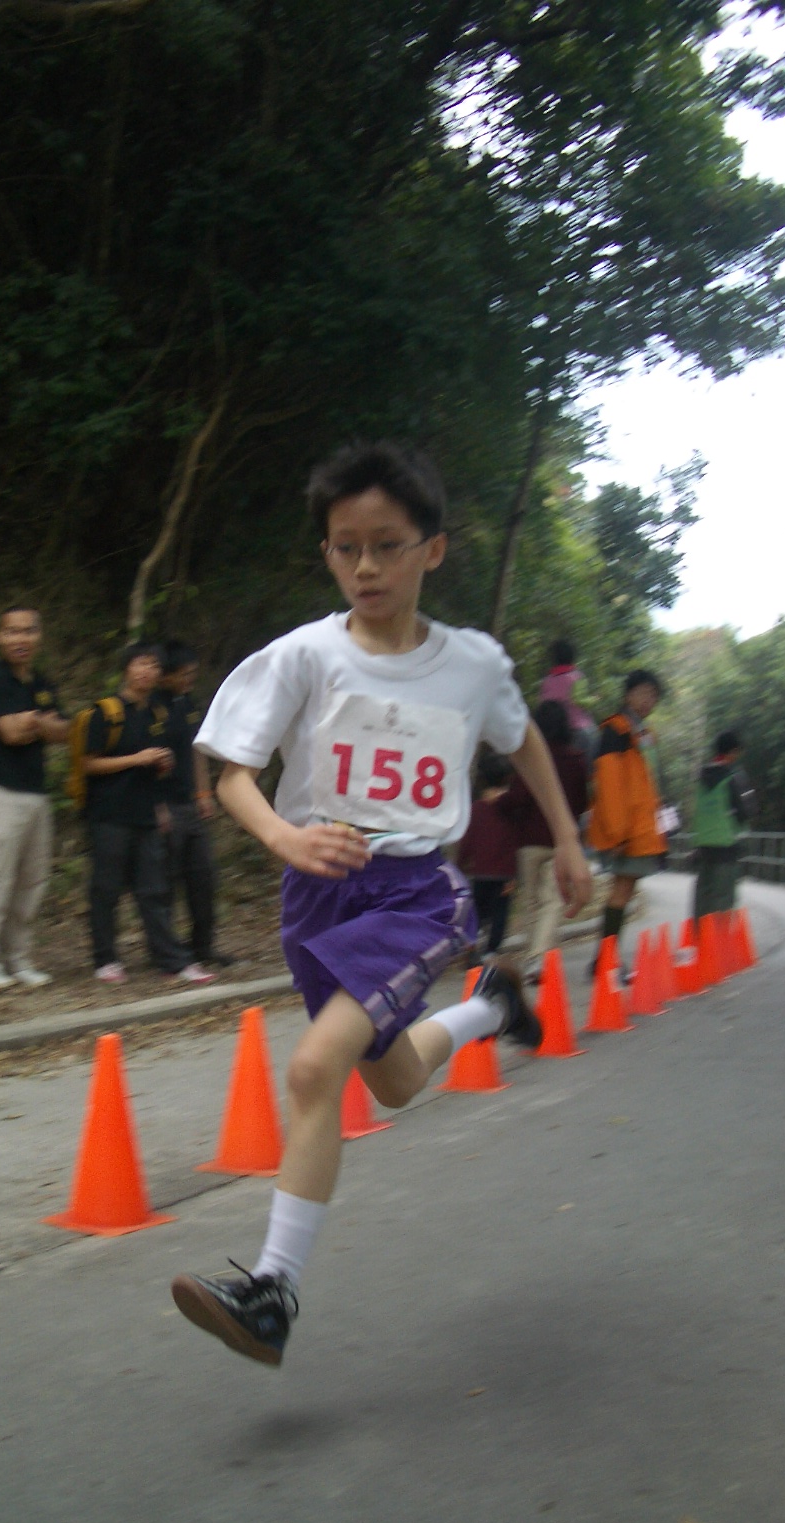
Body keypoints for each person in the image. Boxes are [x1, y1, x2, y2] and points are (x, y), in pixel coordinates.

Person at [170, 441, 592, 1365]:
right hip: (316, 892)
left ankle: (271, 1293)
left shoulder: (471, 664)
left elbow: (523, 740)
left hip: (415, 892)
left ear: (431, 549)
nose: (366, 567)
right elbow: (233, 771)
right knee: (392, 1080)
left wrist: (566, 837)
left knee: (314, 1071)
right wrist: (283, 837)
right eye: (345, 547)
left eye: (388, 545)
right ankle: (492, 1007)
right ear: (327, 552)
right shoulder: (302, 656)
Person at [83, 641, 214, 985]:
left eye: (154, 666)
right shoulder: (106, 712)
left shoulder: (157, 715)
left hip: (147, 815)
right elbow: (89, 763)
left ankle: (172, 959)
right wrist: (136, 759)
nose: (147, 672)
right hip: (109, 814)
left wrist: (160, 795)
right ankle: (105, 958)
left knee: (154, 889)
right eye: (141, 664)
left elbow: (156, 770)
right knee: (107, 888)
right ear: (127, 668)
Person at [0, 605, 69, 991]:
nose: (21, 639)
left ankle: (18, 958)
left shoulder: (41, 684)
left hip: (35, 793)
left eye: (28, 631)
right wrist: (40, 722)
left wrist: (32, 723)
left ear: (39, 636)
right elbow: (9, 732)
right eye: (12, 632)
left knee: (31, 882)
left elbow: (65, 732)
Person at [499, 698, 590, 980]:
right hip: (560, 843)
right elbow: (582, 802)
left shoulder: (531, 760)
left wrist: (496, 802)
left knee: (531, 901)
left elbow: (517, 797)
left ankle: (533, 956)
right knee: (553, 901)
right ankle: (538, 957)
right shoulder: (576, 761)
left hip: (528, 840)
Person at [585, 668, 668, 974]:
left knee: (625, 889)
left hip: (640, 827)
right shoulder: (616, 731)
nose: (648, 700)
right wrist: (617, 833)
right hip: (626, 829)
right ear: (628, 694)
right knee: (621, 890)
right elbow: (609, 786)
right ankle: (606, 961)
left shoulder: (642, 733)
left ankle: (605, 959)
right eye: (643, 693)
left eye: (653, 696)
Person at [159, 640, 230, 969]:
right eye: (183, 674)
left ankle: (203, 945)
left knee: (203, 876)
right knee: (166, 880)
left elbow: (197, 749)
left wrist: (204, 793)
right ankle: (167, 948)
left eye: (192, 674)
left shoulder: (187, 704)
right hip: (166, 803)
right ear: (167, 675)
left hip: (190, 802)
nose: (189, 679)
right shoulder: (153, 707)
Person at [454, 751, 517, 959]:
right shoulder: (510, 808)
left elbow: (468, 840)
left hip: (480, 871)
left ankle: (472, 948)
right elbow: (513, 840)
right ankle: (491, 950)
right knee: (500, 913)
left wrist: (460, 864)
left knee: (477, 913)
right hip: (504, 872)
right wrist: (514, 873)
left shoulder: (476, 809)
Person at [692, 730, 754, 922]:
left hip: (704, 844)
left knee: (704, 895)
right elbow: (746, 811)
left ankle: (699, 936)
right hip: (726, 844)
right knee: (723, 897)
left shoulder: (702, 776)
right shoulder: (734, 776)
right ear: (733, 751)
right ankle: (719, 938)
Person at [539, 639, 597, 759]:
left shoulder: (547, 681)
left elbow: (543, 703)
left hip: (555, 734)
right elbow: (579, 700)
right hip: (579, 728)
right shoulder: (577, 677)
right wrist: (593, 699)